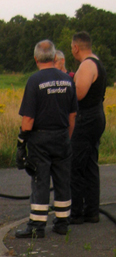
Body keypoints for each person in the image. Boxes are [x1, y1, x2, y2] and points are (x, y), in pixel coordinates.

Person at [15, 40, 78, 239]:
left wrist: (21, 142)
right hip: (62, 135)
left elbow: (28, 118)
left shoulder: (34, 81)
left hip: (40, 137)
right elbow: (72, 115)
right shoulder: (68, 80)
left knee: (40, 180)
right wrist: (67, 136)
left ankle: (37, 225)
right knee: (62, 180)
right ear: (53, 57)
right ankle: (62, 222)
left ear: (36, 59)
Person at [69, 31, 107, 224]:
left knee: (76, 165)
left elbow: (79, 94)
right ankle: (91, 211)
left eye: (71, 48)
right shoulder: (97, 62)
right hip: (97, 116)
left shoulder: (86, 65)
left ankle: (75, 213)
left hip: (86, 119)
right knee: (90, 164)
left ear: (76, 47)